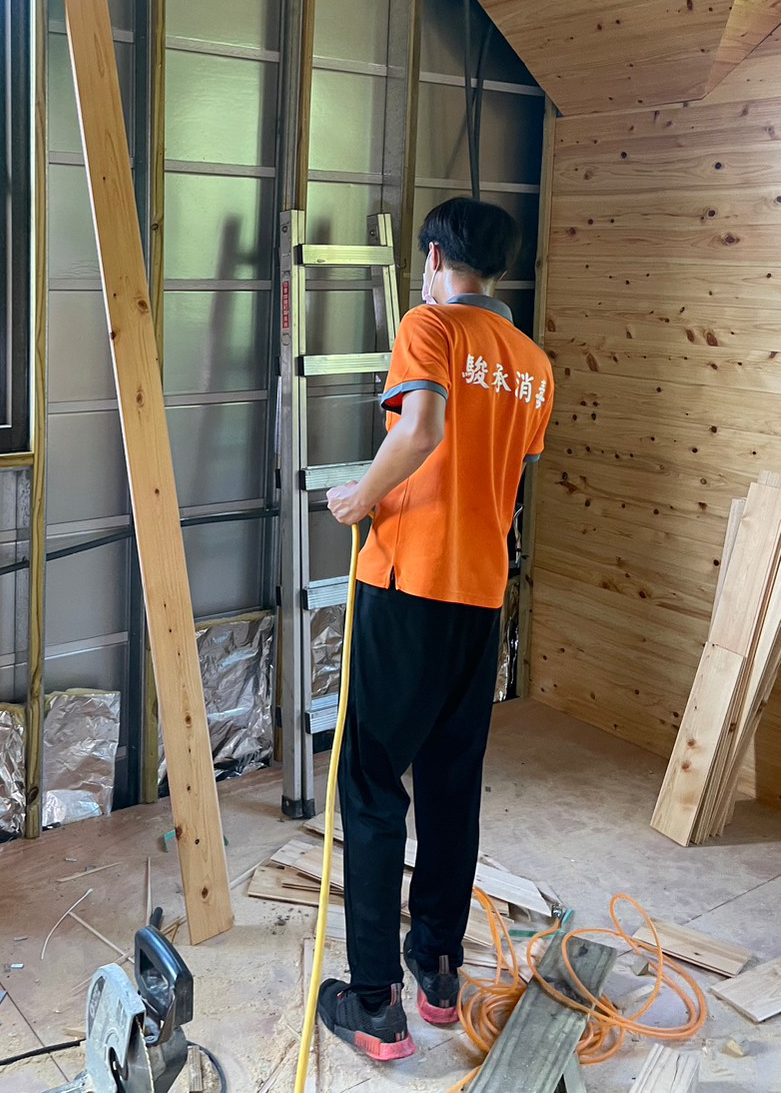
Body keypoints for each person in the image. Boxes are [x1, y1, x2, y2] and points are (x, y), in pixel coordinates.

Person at [317, 197, 554, 1063]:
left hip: (409, 584)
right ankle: (439, 973)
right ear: (499, 266)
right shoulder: (532, 362)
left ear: (432, 257)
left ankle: (374, 1003)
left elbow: (420, 430)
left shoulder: (430, 326)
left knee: (373, 782)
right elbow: (508, 474)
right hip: (480, 597)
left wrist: (360, 496)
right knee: (452, 787)